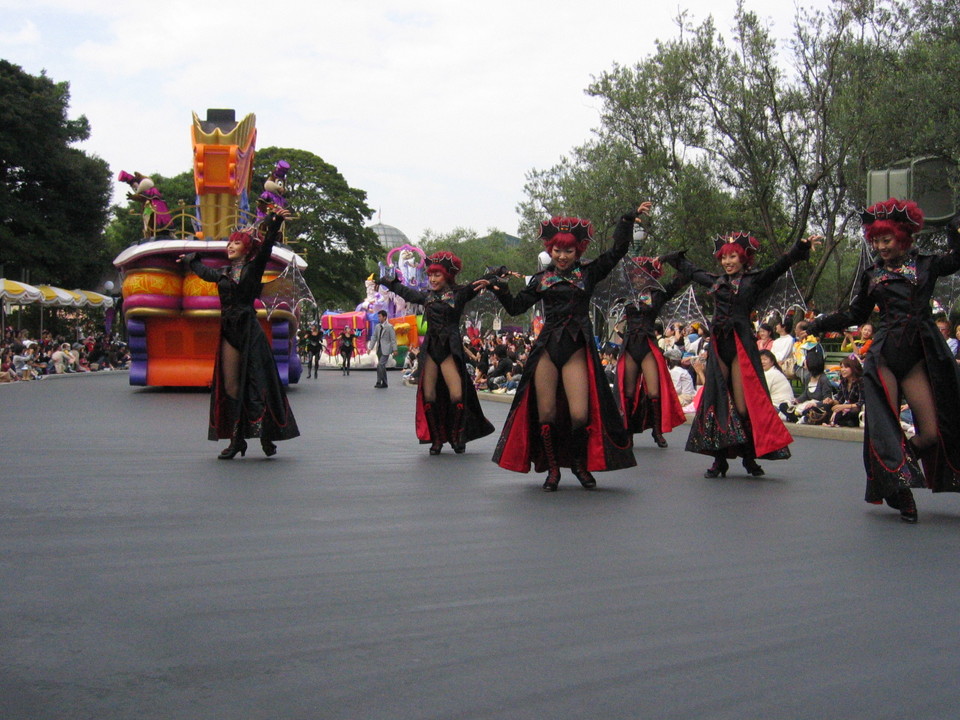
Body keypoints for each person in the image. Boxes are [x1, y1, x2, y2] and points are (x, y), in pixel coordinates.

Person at [807, 200, 960, 522]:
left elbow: (957, 258)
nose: (880, 246)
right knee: (886, 427)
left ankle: (893, 473)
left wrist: (953, 226)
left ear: (902, 236)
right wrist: (818, 324)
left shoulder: (928, 264)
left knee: (931, 433)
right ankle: (901, 490)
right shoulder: (872, 275)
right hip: (884, 357)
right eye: (875, 241)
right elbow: (855, 314)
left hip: (918, 357)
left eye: (886, 240)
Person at [480, 207, 647, 490]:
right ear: (550, 249)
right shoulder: (541, 279)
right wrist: (502, 290)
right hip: (547, 350)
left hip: (576, 350)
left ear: (578, 250)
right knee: (546, 414)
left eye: (568, 251)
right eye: (557, 250)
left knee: (580, 414)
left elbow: (617, 251)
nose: (562, 256)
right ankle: (553, 470)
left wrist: (626, 220)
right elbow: (516, 307)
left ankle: (580, 465)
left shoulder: (589, 273)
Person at [662, 230, 818, 478]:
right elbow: (692, 271)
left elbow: (779, 267)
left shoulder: (754, 280)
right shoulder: (716, 281)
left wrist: (800, 248)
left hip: (741, 345)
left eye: (733, 256)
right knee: (717, 400)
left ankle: (748, 457)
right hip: (718, 345)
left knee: (744, 405)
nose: (728, 262)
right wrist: (670, 258)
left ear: (744, 258)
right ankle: (719, 460)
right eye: (724, 257)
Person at [179, 208, 300, 459]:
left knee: (259, 383)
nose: (230, 246)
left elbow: (266, 248)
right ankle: (237, 439)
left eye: (236, 242)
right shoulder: (223, 273)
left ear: (246, 248)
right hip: (229, 331)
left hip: (250, 330)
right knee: (231, 385)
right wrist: (191, 259)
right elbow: (204, 272)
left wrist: (274, 223)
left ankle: (265, 432)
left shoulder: (254, 268)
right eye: (229, 243)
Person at [378, 251, 494, 454]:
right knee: (429, 395)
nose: (432, 279)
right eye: (430, 275)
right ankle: (437, 439)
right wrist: (391, 283)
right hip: (431, 349)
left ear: (447, 276)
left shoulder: (459, 294)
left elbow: (477, 284)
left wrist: (494, 275)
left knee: (457, 395)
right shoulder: (427, 296)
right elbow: (406, 293)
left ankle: (458, 436)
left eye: (437, 275)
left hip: (449, 348)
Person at [616, 257, 689, 448]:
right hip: (630, 345)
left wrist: (670, 259)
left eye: (644, 274)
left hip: (648, 345)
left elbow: (681, 279)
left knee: (654, 392)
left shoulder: (658, 294)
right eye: (635, 274)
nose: (639, 277)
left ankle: (657, 431)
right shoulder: (625, 294)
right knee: (628, 393)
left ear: (652, 276)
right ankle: (628, 432)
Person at [779, 351, 835, 424]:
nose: (804, 361)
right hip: (806, 404)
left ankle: (796, 418)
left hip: (817, 407)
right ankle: (798, 418)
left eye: (806, 360)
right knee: (783, 406)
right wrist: (797, 400)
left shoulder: (823, 380)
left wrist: (816, 404)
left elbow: (827, 400)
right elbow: (806, 394)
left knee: (809, 410)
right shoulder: (808, 377)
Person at [823, 355, 864, 427]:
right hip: (845, 408)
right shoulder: (844, 381)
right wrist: (831, 401)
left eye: (846, 367)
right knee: (827, 406)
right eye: (841, 367)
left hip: (856, 410)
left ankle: (838, 421)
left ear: (853, 368)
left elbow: (861, 403)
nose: (843, 370)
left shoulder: (861, 382)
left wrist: (844, 406)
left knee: (852, 412)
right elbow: (840, 400)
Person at [372, 310, 397, 388]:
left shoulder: (389, 327)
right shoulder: (377, 326)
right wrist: (370, 347)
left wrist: (395, 349)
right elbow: (374, 337)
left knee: (381, 364)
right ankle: (380, 382)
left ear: (385, 317)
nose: (379, 318)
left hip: (386, 349)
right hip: (379, 348)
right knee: (380, 366)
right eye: (378, 316)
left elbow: (393, 339)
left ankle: (383, 382)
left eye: (380, 316)